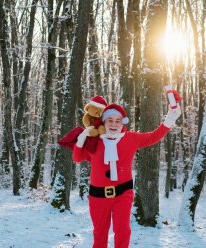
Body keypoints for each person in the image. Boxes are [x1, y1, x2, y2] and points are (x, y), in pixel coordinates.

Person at [72, 103, 181, 248]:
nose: (114, 124)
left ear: (122, 122)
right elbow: (77, 158)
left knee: (123, 231)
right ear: (103, 121)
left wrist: (169, 119)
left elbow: (153, 136)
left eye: (118, 120)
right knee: (100, 234)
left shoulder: (130, 138)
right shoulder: (95, 140)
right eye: (110, 120)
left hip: (123, 194)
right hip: (98, 196)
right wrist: (82, 138)